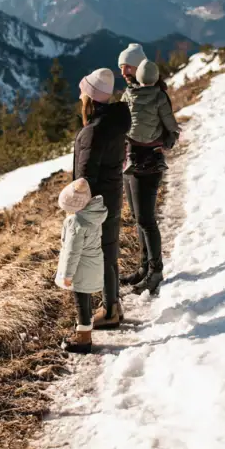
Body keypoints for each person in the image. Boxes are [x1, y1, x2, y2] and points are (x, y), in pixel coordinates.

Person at [74, 68, 131, 329]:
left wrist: (75, 206)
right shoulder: (114, 123)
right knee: (109, 252)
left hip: (95, 204)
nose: (80, 97)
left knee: (91, 258)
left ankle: (108, 313)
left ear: (91, 98)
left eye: (82, 93)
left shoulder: (93, 131)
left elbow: (84, 180)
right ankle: (113, 305)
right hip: (112, 197)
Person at [120, 56, 180, 295]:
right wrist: (166, 142)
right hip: (152, 160)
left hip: (131, 161)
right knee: (142, 218)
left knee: (143, 218)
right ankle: (146, 268)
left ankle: (154, 270)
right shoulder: (160, 97)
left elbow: (122, 123)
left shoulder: (128, 95)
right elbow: (171, 126)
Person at [55, 178, 108, 354]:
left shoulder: (76, 223)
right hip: (92, 264)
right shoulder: (93, 214)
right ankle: (84, 330)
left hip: (80, 268)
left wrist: (67, 275)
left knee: (81, 302)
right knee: (85, 300)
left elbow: (72, 253)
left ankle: (83, 339)